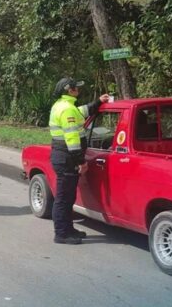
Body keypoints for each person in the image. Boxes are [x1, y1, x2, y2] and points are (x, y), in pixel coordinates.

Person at [49, 77, 109, 245]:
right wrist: (81, 162)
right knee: (64, 198)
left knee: (68, 196)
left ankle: (68, 230)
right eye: (76, 87)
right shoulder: (67, 109)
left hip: (63, 157)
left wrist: (98, 102)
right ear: (70, 90)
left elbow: (82, 112)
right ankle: (61, 233)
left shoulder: (64, 106)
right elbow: (72, 140)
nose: (78, 89)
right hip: (67, 158)